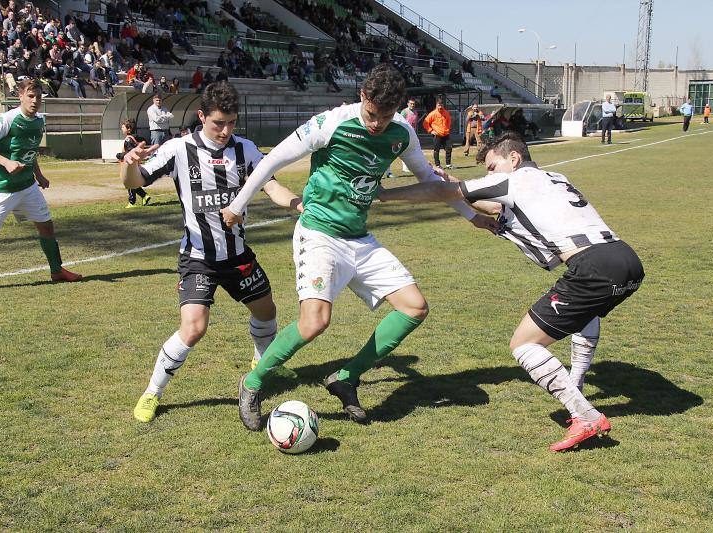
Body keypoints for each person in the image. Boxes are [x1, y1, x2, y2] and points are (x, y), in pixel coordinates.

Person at [220, 64, 488, 431]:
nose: (377, 123)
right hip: (319, 234)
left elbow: (428, 179)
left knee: (414, 307)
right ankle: (252, 383)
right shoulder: (330, 123)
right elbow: (272, 161)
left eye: (386, 115)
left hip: (359, 237)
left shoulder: (402, 133)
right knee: (315, 322)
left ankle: (346, 377)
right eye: (372, 114)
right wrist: (237, 207)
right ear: (362, 97)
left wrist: (471, 217)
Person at [377, 132, 645, 451]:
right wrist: (460, 187)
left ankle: (584, 415)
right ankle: (577, 385)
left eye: (492, 167)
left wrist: (384, 196)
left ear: (513, 160)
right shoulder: (553, 177)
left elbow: (444, 192)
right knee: (584, 313)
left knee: (523, 344)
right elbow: (493, 206)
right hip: (626, 259)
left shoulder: (515, 181)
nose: (489, 174)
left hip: (594, 267)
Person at [121, 82, 303, 422]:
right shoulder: (179, 149)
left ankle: (260, 367)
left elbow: (272, 185)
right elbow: (134, 182)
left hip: (237, 256)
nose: (225, 130)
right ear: (202, 116)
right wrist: (129, 163)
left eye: (232, 122)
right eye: (219, 122)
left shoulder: (245, 149)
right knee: (193, 328)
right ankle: (152, 393)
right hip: (198, 257)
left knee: (267, 311)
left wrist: (297, 203)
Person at [0, 79, 83, 295]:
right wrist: (6, 162)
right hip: (3, 187)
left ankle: (57, 271)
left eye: (38, 97)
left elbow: (30, 150)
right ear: (20, 96)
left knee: (46, 226)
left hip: (28, 186)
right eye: (31, 96)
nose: (35, 101)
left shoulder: (39, 120)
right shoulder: (7, 119)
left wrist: (39, 175)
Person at [116, 118, 150, 208]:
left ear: (129, 129)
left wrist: (120, 155)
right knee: (132, 182)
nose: (122, 129)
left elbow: (130, 152)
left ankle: (132, 202)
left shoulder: (128, 139)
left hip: (130, 164)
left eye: (123, 127)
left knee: (130, 183)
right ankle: (144, 196)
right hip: (135, 164)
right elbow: (143, 141)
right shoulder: (135, 137)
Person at [423, 98, 453, 169]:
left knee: (449, 148)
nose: (440, 106)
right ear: (436, 105)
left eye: (441, 105)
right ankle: (437, 165)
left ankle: (448, 164)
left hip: (446, 134)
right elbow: (425, 123)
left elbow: (449, 121)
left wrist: (448, 129)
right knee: (436, 150)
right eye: (439, 105)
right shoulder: (432, 114)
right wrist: (431, 131)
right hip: (437, 135)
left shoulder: (446, 112)